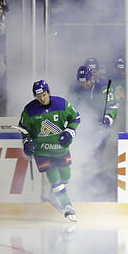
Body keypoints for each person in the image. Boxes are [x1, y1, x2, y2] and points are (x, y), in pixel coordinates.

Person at [19, 80, 81, 222]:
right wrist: (26, 143)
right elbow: (24, 130)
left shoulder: (61, 104)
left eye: (45, 94)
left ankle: (55, 195)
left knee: (66, 174)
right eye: (39, 96)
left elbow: (76, 118)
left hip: (60, 149)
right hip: (42, 151)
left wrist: (70, 131)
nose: (42, 98)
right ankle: (67, 207)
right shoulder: (29, 110)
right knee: (54, 176)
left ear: (49, 92)